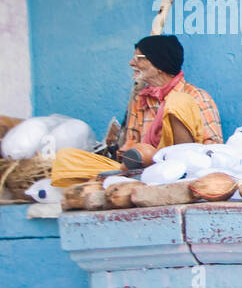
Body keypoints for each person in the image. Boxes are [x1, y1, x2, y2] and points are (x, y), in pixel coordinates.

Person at [50, 34, 223, 186]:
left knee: (177, 101)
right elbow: (131, 147)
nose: (131, 63)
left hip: (182, 172)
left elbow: (214, 151)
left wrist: (162, 158)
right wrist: (128, 160)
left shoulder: (197, 96)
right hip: (142, 171)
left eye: (139, 58)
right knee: (65, 159)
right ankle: (128, 180)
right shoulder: (140, 99)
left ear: (159, 63)